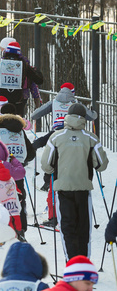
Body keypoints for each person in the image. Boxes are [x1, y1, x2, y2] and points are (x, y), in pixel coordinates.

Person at [40, 103, 108, 259]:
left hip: (62, 188)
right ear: (84, 118)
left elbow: (46, 165)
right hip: (83, 188)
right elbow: (101, 165)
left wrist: (53, 170)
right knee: (83, 227)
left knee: (67, 227)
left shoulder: (55, 137)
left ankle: (72, 264)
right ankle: (84, 263)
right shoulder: (91, 137)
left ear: (67, 117)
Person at [0, 41, 44, 116]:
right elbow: (39, 80)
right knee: (16, 123)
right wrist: (36, 70)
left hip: (1, 101)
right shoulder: (23, 65)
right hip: (17, 102)